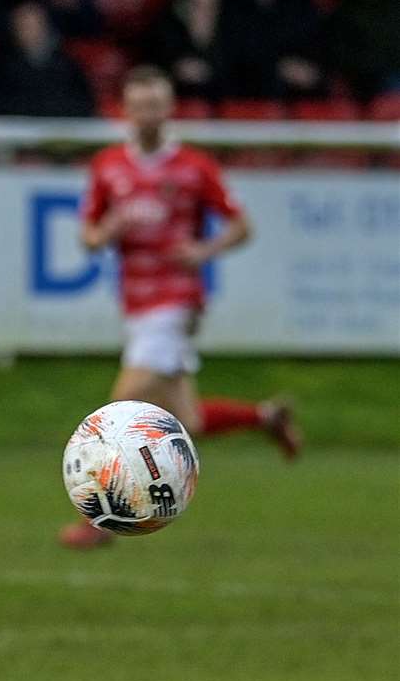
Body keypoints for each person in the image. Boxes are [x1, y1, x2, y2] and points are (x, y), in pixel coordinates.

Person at [61, 66, 300, 550]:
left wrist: (202, 252)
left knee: (118, 415)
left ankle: (97, 521)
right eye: (139, 105)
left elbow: (241, 226)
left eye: (157, 105)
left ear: (169, 110)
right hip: (136, 301)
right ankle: (266, 417)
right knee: (186, 420)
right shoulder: (108, 166)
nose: (148, 115)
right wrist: (109, 231)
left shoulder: (194, 167)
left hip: (175, 303)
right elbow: (88, 237)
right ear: (125, 111)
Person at [0, 0, 95, 117]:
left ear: (45, 26)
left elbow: (84, 104)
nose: (29, 30)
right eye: (23, 25)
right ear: (13, 28)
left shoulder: (66, 65)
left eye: (35, 24)